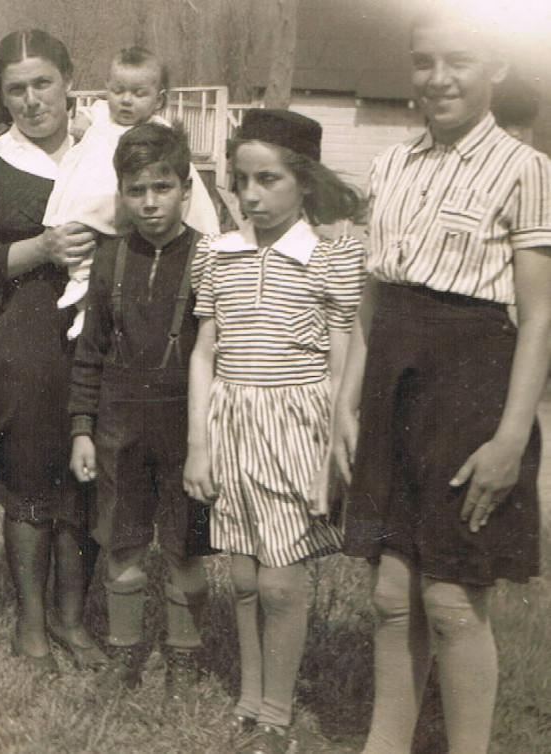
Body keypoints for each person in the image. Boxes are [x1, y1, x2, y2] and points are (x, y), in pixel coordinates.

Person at [332, 10, 551, 754]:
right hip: (393, 380)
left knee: (452, 598)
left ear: (495, 68)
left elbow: (540, 318)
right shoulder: (393, 164)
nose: (438, 78)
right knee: (392, 593)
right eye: (424, 62)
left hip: (473, 391)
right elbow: (370, 300)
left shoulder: (528, 170)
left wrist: (511, 438)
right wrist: (346, 401)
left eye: (459, 61)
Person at [183, 109, 363, 754]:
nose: (251, 196)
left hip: (297, 427)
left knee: (284, 580)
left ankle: (278, 710)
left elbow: (343, 355)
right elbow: (206, 350)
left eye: (268, 180)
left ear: (304, 183)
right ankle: (249, 698)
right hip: (230, 422)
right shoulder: (218, 254)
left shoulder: (329, 255)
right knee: (244, 576)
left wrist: (330, 454)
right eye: (240, 181)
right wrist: (199, 443)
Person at [0, 28, 106, 674]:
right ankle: (31, 624)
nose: (33, 99)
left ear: (69, 81)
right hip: (26, 331)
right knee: (33, 477)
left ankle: (74, 619)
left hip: (101, 330)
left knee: (90, 481)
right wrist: (42, 249)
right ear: (1, 98)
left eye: (43, 83)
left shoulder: (104, 148)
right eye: (17, 89)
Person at [68, 123, 213, 696]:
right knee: (123, 541)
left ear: (185, 188)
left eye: (162, 187)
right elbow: (90, 353)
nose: (150, 203)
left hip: (186, 423)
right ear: (121, 193)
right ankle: (125, 654)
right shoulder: (111, 259)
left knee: (185, 545)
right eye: (136, 191)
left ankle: (184, 655)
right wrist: (83, 430)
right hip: (120, 422)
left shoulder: (210, 257)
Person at [46, 46, 221, 339]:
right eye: (118, 91)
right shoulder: (101, 115)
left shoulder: (157, 131)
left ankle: (90, 311)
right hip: (88, 204)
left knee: (116, 264)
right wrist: (83, 122)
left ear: (159, 99)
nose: (126, 100)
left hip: (123, 208)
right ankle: (81, 306)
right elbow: (90, 111)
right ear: (107, 90)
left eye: (139, 94)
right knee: (81, 252)